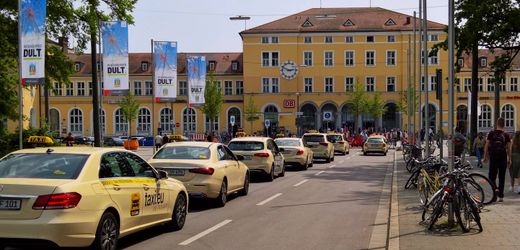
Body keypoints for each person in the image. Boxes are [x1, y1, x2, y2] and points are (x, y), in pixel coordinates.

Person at [484, 117, 512, 202]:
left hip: (493, 157)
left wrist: (485, 156)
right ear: (504, 125)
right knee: (502, 177)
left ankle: (495, 189)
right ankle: (501, 196)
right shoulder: (506, 135)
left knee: (491, 176)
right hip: (502, 157)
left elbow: (486, 145)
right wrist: (509, 159)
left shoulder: (491, 133)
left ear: (497, 124)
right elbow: (509, 148)